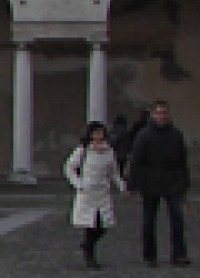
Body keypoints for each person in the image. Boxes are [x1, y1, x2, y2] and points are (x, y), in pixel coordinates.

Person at [126, 99, 191, 267]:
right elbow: (136, 161)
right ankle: (150, 256)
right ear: (153, 115)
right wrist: (131, 184)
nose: (162, 116)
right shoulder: (144, 135)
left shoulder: (176, 135)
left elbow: (183, 161)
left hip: (173, 181)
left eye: (164, 113)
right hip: (151, 181)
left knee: (177, 219)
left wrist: (185, 184)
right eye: (159, 113)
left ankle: (179, 254)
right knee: (149, 221)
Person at [64, 122, 123, 269]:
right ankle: (90, 256)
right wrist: (78, 184)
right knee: (90, 225)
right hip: (87, 192)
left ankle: (87, 245)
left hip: (103, 192)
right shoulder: (82, 151)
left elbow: (114, 172)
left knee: (103, 226)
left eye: (101, 133)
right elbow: (69, 168)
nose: (98, 136)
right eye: (95, 133)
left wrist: (122, 186)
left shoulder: (109, 152)